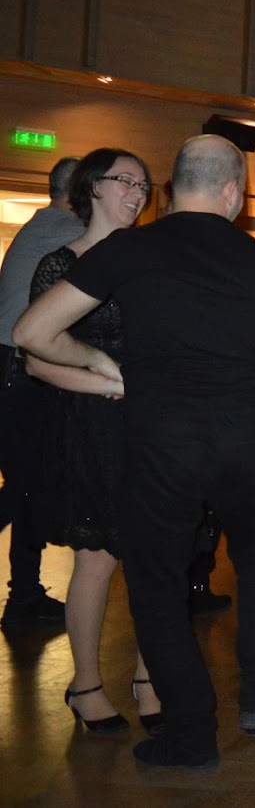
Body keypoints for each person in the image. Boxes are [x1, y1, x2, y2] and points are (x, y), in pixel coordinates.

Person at [15, 134, 255, 768]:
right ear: (234, 191)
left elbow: (31, 331)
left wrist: (97, 359)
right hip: (243, 443)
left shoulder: (129, 249)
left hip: (161, 446)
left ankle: (191, 734)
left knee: (158, 585)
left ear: (174, 186)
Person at [25, 149, 162, 734]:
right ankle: (84, 686)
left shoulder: (151, 264)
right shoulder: (61, 263)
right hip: (90, 423)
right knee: (98, 558)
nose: (137, 192)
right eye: (124, 180)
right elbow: (35, 360)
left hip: (150, 423)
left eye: (144, 183)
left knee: (159, 555)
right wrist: (109, 381)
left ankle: (150, 678)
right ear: (92, 188)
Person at [0, 157, 80, 631]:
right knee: (30, 485)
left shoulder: (40, 225)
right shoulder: (63, 231)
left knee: (29, 487)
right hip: (18, 372)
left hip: (11, 369)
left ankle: (24, 597)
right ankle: (23, 598)